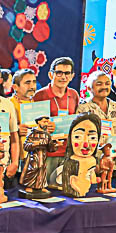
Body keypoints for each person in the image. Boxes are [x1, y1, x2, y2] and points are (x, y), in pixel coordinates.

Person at [33, 56, 79, 186]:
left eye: (67, 73)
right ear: (50, 74)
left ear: (72, 76)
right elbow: (32, 125)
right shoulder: (39, 96)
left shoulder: (74, 95)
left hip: (68, 152)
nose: (63, 77)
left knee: (64, 188)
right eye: (59, 73)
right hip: (47, 153)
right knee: (45, 188)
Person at [77, 71, 116, 150]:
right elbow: (79, 135)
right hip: (93, 155)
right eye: (99, 84)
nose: (104, 87)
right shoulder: (83, 109)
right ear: (89, 88)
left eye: (107, 84)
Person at [9, 68, 38, 152]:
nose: (32, 86)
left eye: (34, 82)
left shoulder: (37, 103)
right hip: (16, 152)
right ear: (15, 87)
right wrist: (16, 129)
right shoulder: (8, 104)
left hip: (37, 152)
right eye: (27, 83)